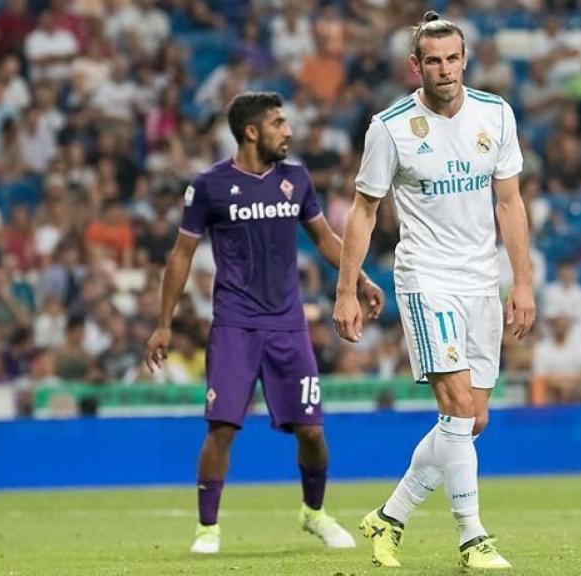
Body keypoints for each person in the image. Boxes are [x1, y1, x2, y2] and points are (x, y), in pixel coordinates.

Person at [332, 11, 535, 570]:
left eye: (453, 59)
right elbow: (364, 210)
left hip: (480, 279)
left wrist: (522, 280)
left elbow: (509, 202)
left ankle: (388, 518)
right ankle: (473, 539)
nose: (444, 70)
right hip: (426, 278)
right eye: (433, 61)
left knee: (473, 422)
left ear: (465, 60)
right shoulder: (390, 126)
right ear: (414, 66)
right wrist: (345, 289)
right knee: (457, 408)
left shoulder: (496, 114)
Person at [143, 91, 385, 555]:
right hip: (235, 324)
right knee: (222, 427)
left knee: (311, 430)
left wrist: (359, 280)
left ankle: (313, 512)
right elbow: (181, 255)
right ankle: (207, 528)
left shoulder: (295, 179)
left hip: (288, 325)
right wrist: (163, 324)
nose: (287, 131)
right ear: (251, 131)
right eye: (278, 123)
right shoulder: (209, 186)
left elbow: (324, 238)